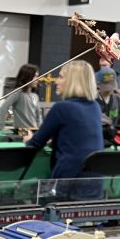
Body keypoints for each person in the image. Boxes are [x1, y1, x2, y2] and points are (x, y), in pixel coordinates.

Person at [23, 60, 103, 197]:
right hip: (94, 186)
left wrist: (28, 138)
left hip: (65, 187)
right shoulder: (95, 107)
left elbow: (35, 143)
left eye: (60, 77)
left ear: (72, 80)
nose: (56, 82)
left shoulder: (61, 108)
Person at [0, 63, 41, 130]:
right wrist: (1, 128)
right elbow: (4, 108)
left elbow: (38, 116)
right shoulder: (18, 93)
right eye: (35, 76)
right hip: (22, 131)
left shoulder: (35, 96)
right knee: (26, 138)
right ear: (27, 77)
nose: (37, 79)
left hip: (34, 130)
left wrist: (41, 130)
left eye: (37, 76)